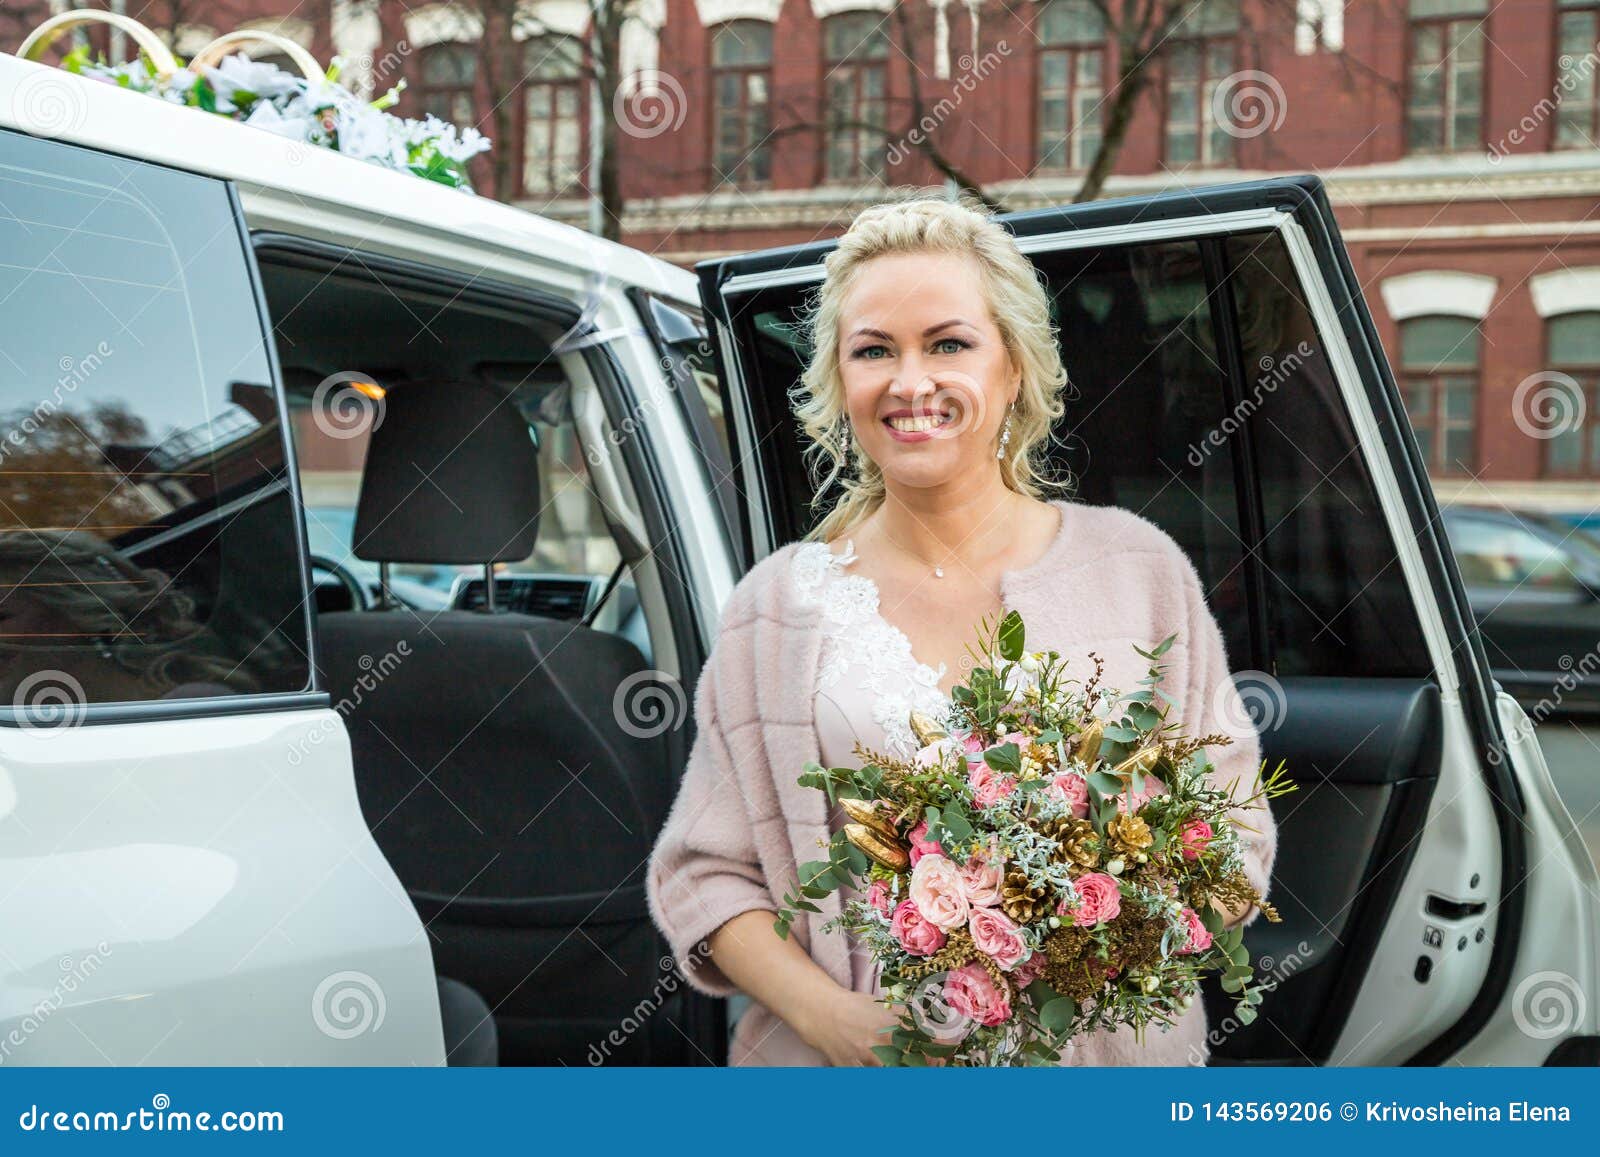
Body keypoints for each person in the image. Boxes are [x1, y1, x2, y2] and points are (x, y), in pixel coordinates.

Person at [645, 196, 1277, 1066]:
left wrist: (1090, 917)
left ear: (1012, 368)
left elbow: (1232, 840)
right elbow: (704, 876)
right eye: (874, 351)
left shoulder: (1140, 569)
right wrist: (829, 1018)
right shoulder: (776, 606)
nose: (910, 383)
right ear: (841, 380)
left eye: (948, 344)